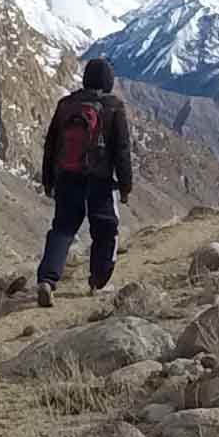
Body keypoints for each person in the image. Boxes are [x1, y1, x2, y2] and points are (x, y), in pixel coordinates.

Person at [31, 53, 134, 307]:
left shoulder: (66, 104)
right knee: (105, 229)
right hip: (100, 181)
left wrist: (48, 180)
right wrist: (125, 186)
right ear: (108, 80)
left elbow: (51, 144)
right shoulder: (113, 106)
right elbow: (121, 150)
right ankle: (97, 281)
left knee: (62, 230)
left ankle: (47, 279)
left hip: (67, 176)